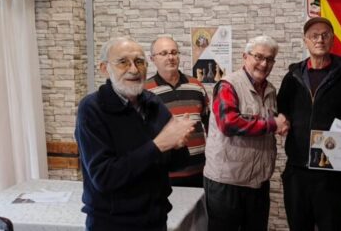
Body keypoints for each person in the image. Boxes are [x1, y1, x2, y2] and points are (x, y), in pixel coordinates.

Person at [75, 37, 196, 231]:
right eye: (123, 62)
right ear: (104, 68)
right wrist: (159, 144)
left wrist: (179, 144)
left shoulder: (153, 102)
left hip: (156, 219)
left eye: (139, 62)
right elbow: (104, 177)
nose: (133, 69)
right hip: (112, 224)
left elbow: (177, 164)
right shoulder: (92, 109)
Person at [277, 17, 341, 231]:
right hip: (297, 173)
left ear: (332, 40)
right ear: (305, 41)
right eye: (314, 36)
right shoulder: (292, 77)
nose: (319, 39)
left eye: (325, 35)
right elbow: (280, 111)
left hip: (333, 175)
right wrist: (280, 119)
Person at [203, 35, 289, 231]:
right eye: (258, 57)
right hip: (227, 182)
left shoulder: (270, 90)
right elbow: (228, 123)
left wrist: (282, 124)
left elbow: (271, 122)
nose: (264, 64)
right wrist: (272, 124)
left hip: (258, 182)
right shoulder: (228, 85)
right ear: (245, 56)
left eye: (269, 59)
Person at [146, 35, 210, 187]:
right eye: (164, 53)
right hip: (165, 173)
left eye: (174, 52)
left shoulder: (196, 85)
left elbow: (210, 124)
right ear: (152, 59)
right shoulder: (145, 92)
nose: (170, 57)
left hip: (201, 169)